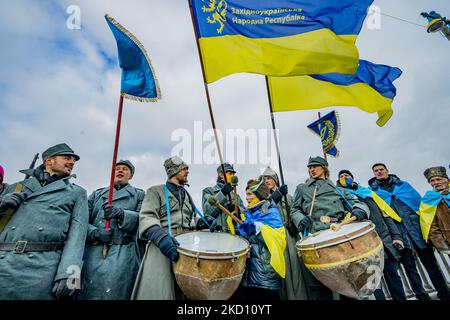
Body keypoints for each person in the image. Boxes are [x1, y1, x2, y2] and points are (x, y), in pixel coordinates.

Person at [0, 143, 88, 300]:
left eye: (73, 160)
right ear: (49, 161)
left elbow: (77, 237)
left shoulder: (77, 193)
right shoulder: (16, 187)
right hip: (4, 264)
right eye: (66, 158)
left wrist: (70, 274)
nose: (72, 162)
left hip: (43, 270)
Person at [290, 156, 369, 299]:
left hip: (338, 232)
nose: (311, 169)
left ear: (324, 168)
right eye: (309, 167)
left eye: (314, 166)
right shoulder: (302, 188)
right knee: (320, 281)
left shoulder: (338, 189)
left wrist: (360, 210)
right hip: (315, 234)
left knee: (347, 277)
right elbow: (294, 209)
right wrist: (301, 220)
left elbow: (355, 202)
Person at [369, 163, 450, 300]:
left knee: (431, 265)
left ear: (387, 171)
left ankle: (444, 293)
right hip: (399, 234)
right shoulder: (374, 193)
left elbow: (421, 207)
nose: (379, 172)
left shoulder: (403, 186)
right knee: (410, 268)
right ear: (374, 174)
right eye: (376, 171)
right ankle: (422, 295)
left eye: (381, 169)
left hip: (416, 231)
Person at [131, 156, 198, 300]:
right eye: (184, 169)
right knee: (160, 291)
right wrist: (160, 237)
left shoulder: (186, 194)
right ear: (174, 171)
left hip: (185, 248)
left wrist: (203, 223)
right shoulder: (155, 191)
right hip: (161, 245)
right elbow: (147, 217)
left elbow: (191, 219)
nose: (187, 171)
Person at [77, 160, 145, 300]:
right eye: (117, 168)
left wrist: (122, 214)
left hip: (124, 253)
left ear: (131, 176)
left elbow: (144, 220)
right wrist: (94, 232)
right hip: (94, 251)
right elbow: (81, 221)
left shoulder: (140, 195)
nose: (120, 171)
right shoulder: (97, 194)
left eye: (125, 169)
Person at [337, 169, 407, 300]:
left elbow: (385, 215)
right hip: (364, 245)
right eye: (341, 176)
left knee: (394, 277)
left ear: (352, 177)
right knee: (374, 283)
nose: (344, 177)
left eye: (347, 175)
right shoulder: (340, 196)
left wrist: (396, 237)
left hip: (384, 241)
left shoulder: (368, 193)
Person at [261, 166, 308, 300]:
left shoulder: (287, 196)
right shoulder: (262, 199)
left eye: (269, 178)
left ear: (275, 180)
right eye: (264, 179)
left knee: (297, 268)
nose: (267, 181)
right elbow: (263, 211)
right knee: (284, 271)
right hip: (275, 238)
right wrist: (276, 196)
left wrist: (296, 227)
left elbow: (295, 212)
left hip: (290, 236)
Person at [236, 178, 286, 300]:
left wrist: (257, 228)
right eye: (246, 194)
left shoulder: (270, 211)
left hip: (264, 270)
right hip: (249, 271)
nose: (247, 198)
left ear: (259, 194)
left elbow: (279, 237)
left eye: (250, 194)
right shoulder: (248, 213)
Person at [202, 163, 245, 234]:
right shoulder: (208, 191)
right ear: (221, 175)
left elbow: (244, 215)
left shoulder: (236, 196)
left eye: (233, 174)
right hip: (217, 236)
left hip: (234, 235)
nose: (233, 176)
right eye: (230, 173)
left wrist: (238, 212)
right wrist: (223, 193)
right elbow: (208, 212)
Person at [419, 166, 450, 255]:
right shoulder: (429, 200)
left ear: (447, 180)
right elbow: (431, 226)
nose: (436, 183)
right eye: (432, 181)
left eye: (438, 179)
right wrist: (441, 245)